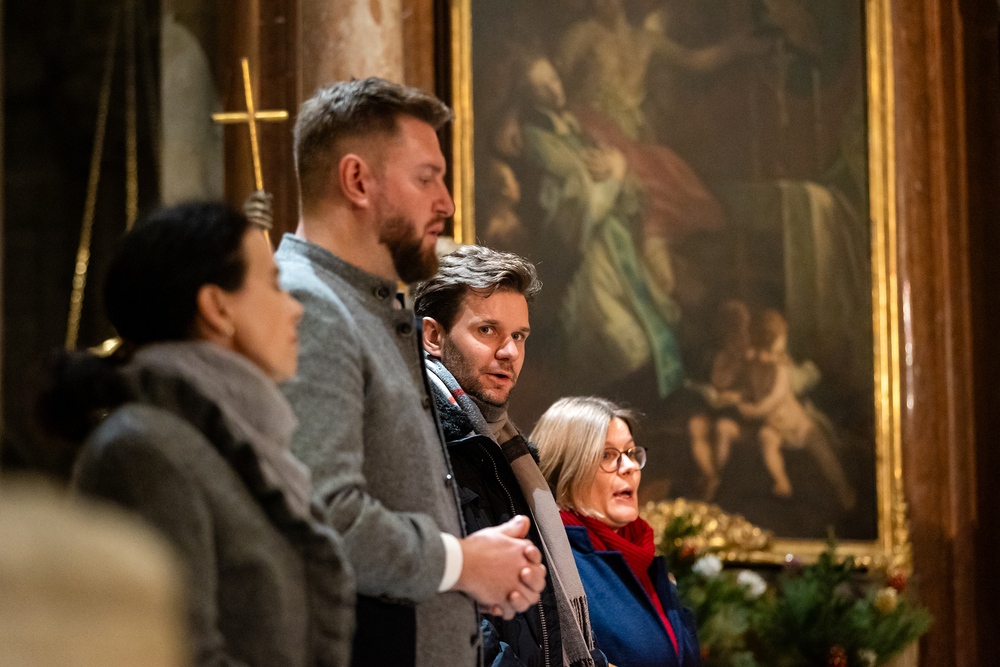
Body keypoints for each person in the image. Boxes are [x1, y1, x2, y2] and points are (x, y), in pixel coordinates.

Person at [275, 77, 547, 667]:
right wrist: (464, 562)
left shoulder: (363, 306)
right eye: (427, 178)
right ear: (357, 180)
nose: (446, 203)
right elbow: (324, 514)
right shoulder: (310, 303)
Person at [36, 202, 355, 667]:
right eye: (273, 284)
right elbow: (177, 653)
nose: (295, 309)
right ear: (217, 308)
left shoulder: (234, 439)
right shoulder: (144, 451)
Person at [413, 245, 605, 667]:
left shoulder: (508, 449)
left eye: (518, 336)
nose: (509, 352)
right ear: (433, 336)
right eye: (487, 330)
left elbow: (542, 612)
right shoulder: (416, 436)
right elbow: (443, 608)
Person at [533, 397, 701, 667]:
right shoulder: (555, 566)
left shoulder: (642, 556)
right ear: (566, 470)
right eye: (607, 455)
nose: (630, 467)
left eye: (631, 453)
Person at [738, 309, 856, 509]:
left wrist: (752, 410)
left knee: (821, 448)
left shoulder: (782, 367)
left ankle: (842, 487)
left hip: (798, 425)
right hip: (775, 428)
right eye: (772, 351)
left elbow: (776, 398)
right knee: (767, 439)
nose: (777, 355)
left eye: (779, 351)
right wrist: (743, 402)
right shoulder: (755, 364)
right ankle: (781, 480)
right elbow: (746, 385)